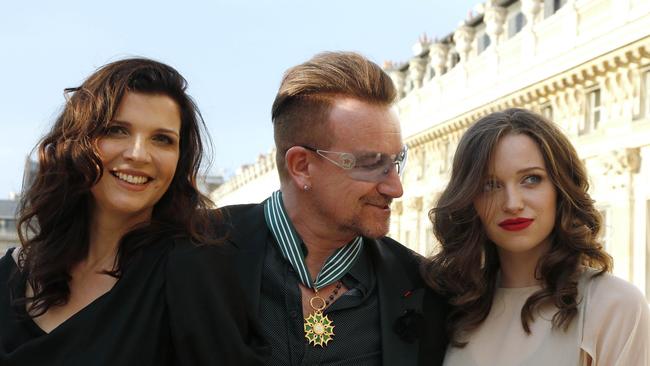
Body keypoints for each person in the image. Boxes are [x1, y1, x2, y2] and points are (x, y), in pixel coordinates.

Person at [0, 58, 267, 365]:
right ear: (76, 143)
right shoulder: (12, 273)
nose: (139, 154)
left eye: (162, 139)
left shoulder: (191, 271)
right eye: (117, 130)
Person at [218, 51, 448, 366]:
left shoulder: (424, 286)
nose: (396, 188)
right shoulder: (197, 251)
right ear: (302, 167)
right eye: (371, 164)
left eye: (396, 162)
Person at [423, 108, 650, 365]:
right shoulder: (453, 306)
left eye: (531, 179)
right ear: (469, 200)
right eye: (490, 185)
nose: (512, 203)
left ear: (560, 188)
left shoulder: (615, 306)